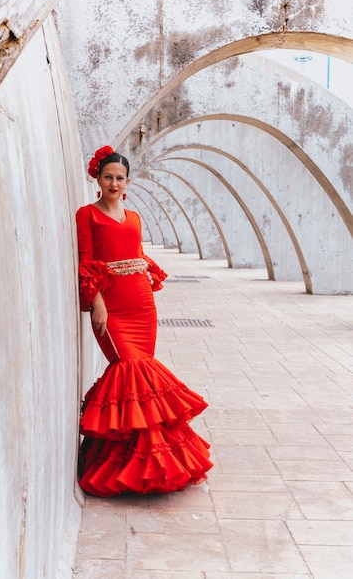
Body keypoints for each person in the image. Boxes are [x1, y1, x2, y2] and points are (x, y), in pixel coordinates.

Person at [75, 145, 213, 497]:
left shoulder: (134, 217)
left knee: (142, 381)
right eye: (108, 177)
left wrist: (144, 287)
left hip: (141, 303)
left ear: (127, 181)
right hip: (112, 306)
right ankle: (125, 468)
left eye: (120, 178)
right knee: (130, 369)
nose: (114, 183)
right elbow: (87, 261)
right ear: (98, 177)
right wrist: (97, 303)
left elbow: (135, 257)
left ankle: (153, 466)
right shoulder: (87, 215)